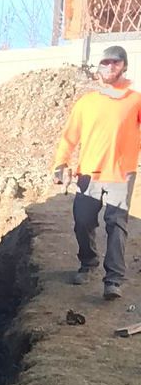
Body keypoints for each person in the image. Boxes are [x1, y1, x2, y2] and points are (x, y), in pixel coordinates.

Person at [52, 45, 141, 298]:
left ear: (124, 65)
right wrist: (60, 164)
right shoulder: (87, 103)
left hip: (121, 174)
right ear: (98, 68)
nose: (110, 66)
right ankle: (88, 262)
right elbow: (69, 137)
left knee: (116, 224)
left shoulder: (135, 100)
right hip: (88, 174)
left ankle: (113, 280)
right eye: (105, 63)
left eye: (115, 62)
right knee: (83, 222)